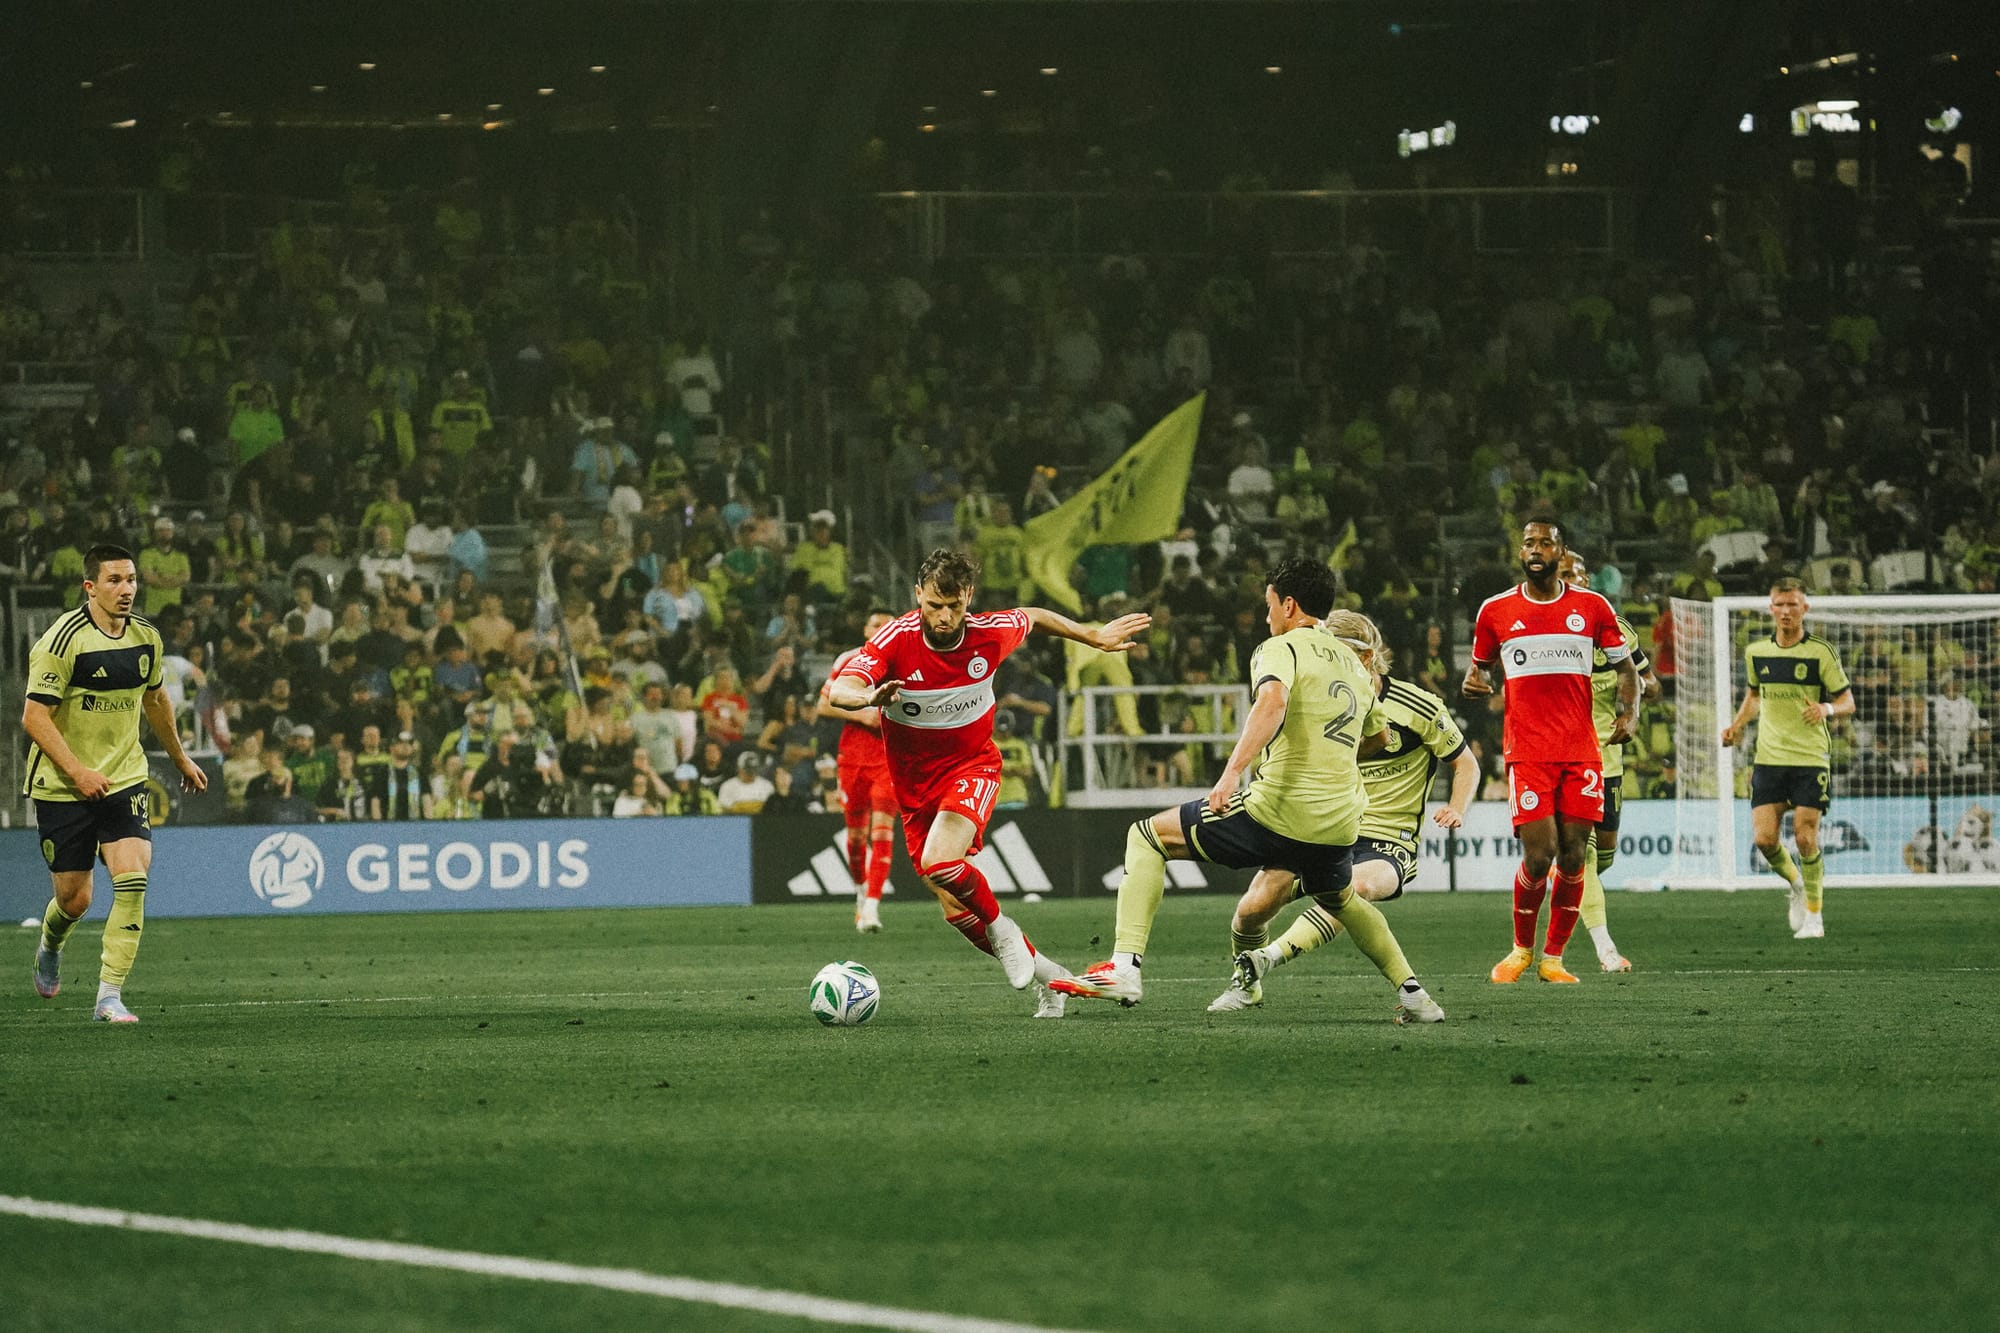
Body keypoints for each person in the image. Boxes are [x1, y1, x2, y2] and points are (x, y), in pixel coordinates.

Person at [1053, 558, 1444, 1024]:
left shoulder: (1280, 648)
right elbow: (1379, 739)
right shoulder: (1357, 668)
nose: (1266, 616)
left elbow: (1273, 701)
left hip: (1280, 809)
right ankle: (1416, 997)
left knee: (1147, 837)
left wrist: (1230, 772)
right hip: (1340, 821)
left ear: (1289, 604)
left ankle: (1124, 967)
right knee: (1339, 897)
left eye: (1269, 605)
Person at [827, 548, 1147, 1017]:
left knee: (940, 863)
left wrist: (1090, 635)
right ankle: (1051, 979)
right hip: (915, 788)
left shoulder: (988, 633)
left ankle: (1004, 929)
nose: (944, 616)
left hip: (972, 767)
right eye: (935, 605)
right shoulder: (895, 641)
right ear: (918, 595)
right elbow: (839, 688)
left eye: (954, 606)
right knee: (950, 901)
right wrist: (867, 696)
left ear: (968, 598)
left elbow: (1034, 616)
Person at [1207, 609, 1477, 1012]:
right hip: (1322, 828)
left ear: (1368, 658)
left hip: (1387, 840)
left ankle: (1268, 957)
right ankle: (1245, 983)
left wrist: (1456, 807)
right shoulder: (1308, 704)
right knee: (1250, 910)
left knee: (1358, 887)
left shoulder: (1417, 704)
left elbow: (1466, 763)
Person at [25, 543, 208, 1023]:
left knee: (132, 877)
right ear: (90, 586)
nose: (126, 590)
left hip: (125, 777)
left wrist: (181, 757)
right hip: (64, 784)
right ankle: (51, 942)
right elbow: (35, 718)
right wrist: (78, 772)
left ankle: (109, 996)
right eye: (114, 581)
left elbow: (156, 702)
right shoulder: (61, 642)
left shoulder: (146, 638)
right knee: (75, 898)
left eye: (130, 580)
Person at [1464, 515, 1638, 985]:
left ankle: (1553, 958)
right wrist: (1475, 682)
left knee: (1575, 856)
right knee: (1539, 856)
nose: (1536, 549)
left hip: (1582, 751)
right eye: (1529, 543)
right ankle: (1520, 949)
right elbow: (1478, 671)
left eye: (1546, 542)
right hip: (1528, 752)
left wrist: (1631, 713)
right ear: (1521, 553)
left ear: (1561, 553)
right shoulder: (1495, 611)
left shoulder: (1593, 607)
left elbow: (1628, 672)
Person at [1721, 577, 1855, 938]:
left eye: (1792, 605)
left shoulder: (1820, 652)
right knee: (1765, 840)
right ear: (1770, 609)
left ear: (1804, 609)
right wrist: (1735, 727)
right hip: (1769, 758)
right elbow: (1755, 696)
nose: (1785, 611)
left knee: (1806, 837)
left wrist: (1826, 708)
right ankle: (1797, 885)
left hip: (1811, 757)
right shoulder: (1756, 652)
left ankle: (1815, 916)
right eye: (1779, 605)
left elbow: (1848, 701)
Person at [1554, 549, 1663, 971]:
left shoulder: (1615, 629)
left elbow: (1646, 679)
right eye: (1565, 575)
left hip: (1608, 760)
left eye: (1578, 575)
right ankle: (1605, 949)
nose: (1573, 581)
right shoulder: (1546, 635)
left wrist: (1637, 697)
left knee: (1603, 859)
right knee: (1582, 856)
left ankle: (1572, 892)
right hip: (1565, 758)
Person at [818, 610, 900, 932]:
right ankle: (861, 892)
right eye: (875, 625)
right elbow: (823, 705)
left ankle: (873, 907)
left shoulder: (904, 664)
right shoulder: (849, 661)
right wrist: (863, 715)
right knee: (855, 839)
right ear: (866, 629)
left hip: (887, 760)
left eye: (887, 625)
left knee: (882, 832)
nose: (881, 629)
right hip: (852, 759)